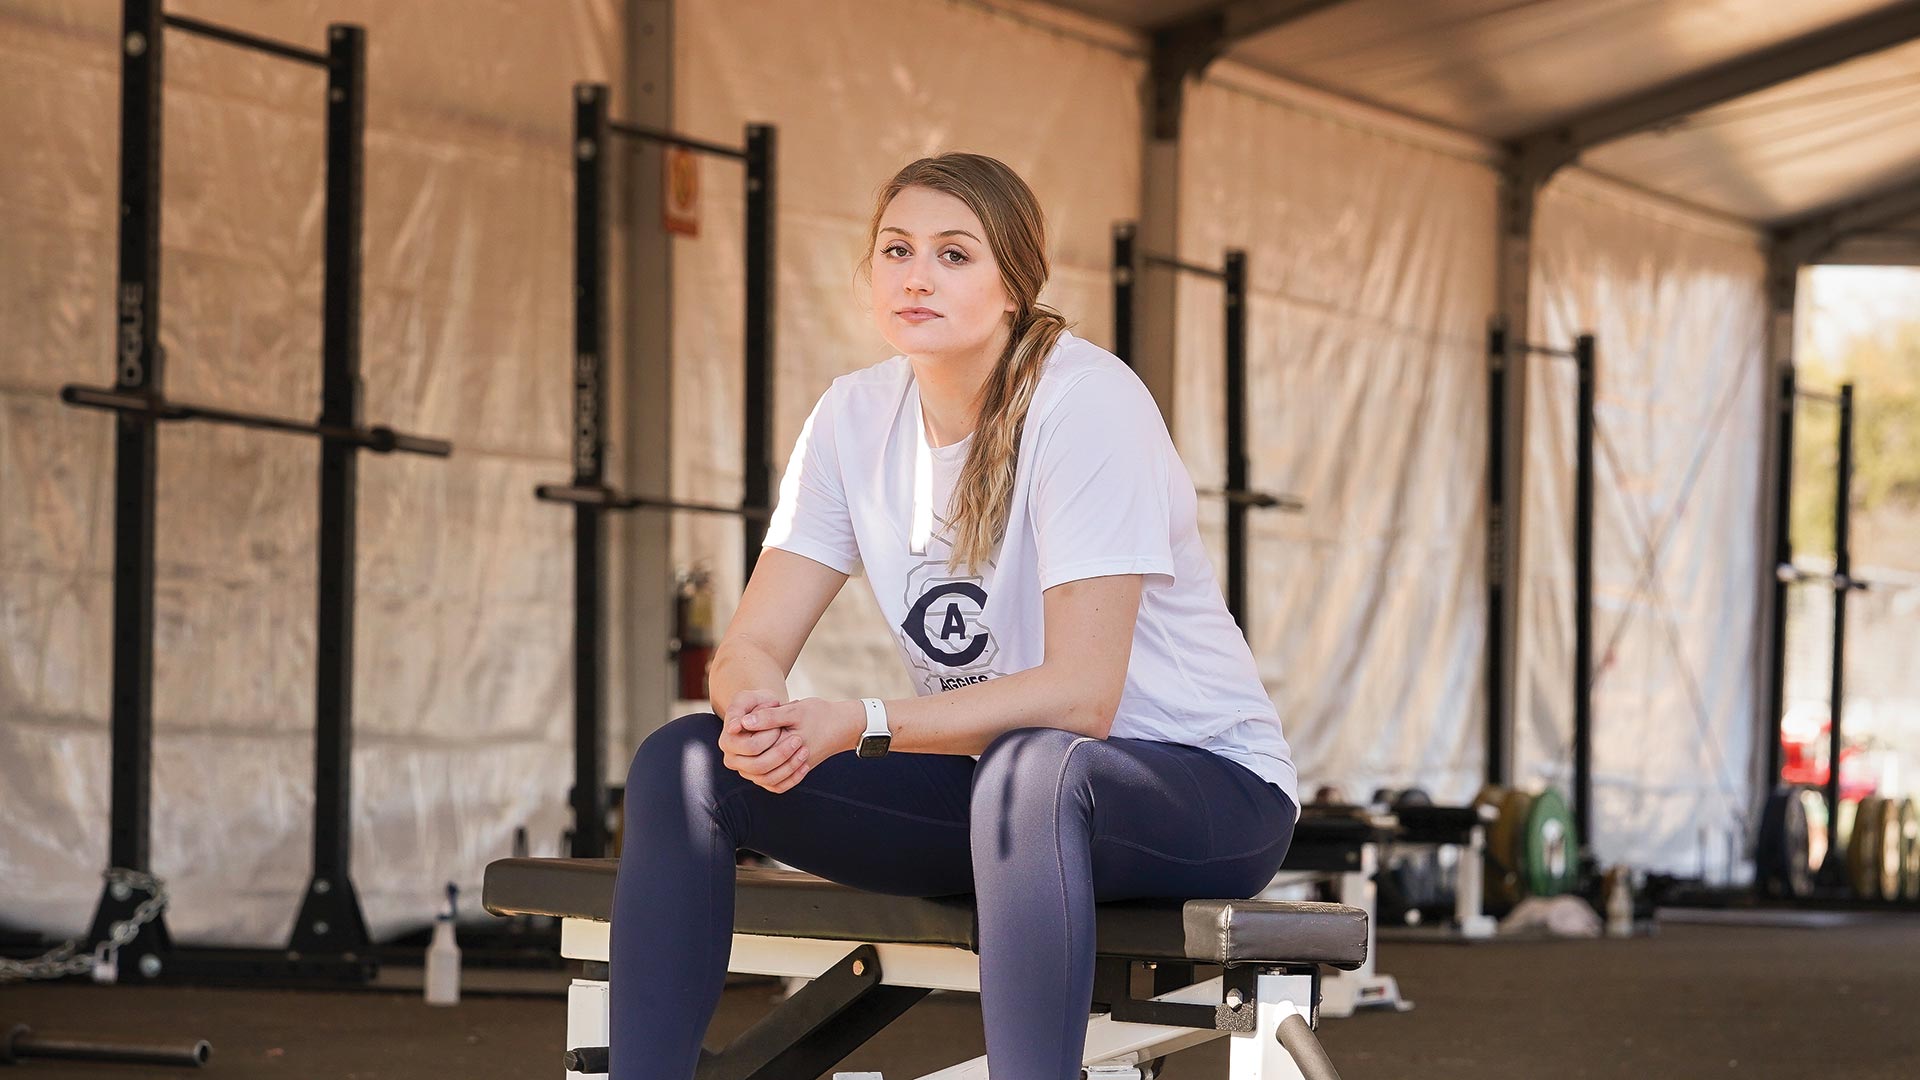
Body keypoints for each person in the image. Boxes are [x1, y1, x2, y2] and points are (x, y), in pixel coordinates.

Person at [610, 153, 1299, 1079]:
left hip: (1205, 788)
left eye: (953, 254)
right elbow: (752, 645)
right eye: (895, 249)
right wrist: (756, 715)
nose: (916, 274)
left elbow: (1082, 702)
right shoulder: (851, 418)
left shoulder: (1086, 403)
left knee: (1033, 769)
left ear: (1014, 283)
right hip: (1004, 796)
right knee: (686, 762)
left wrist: (860, 723)